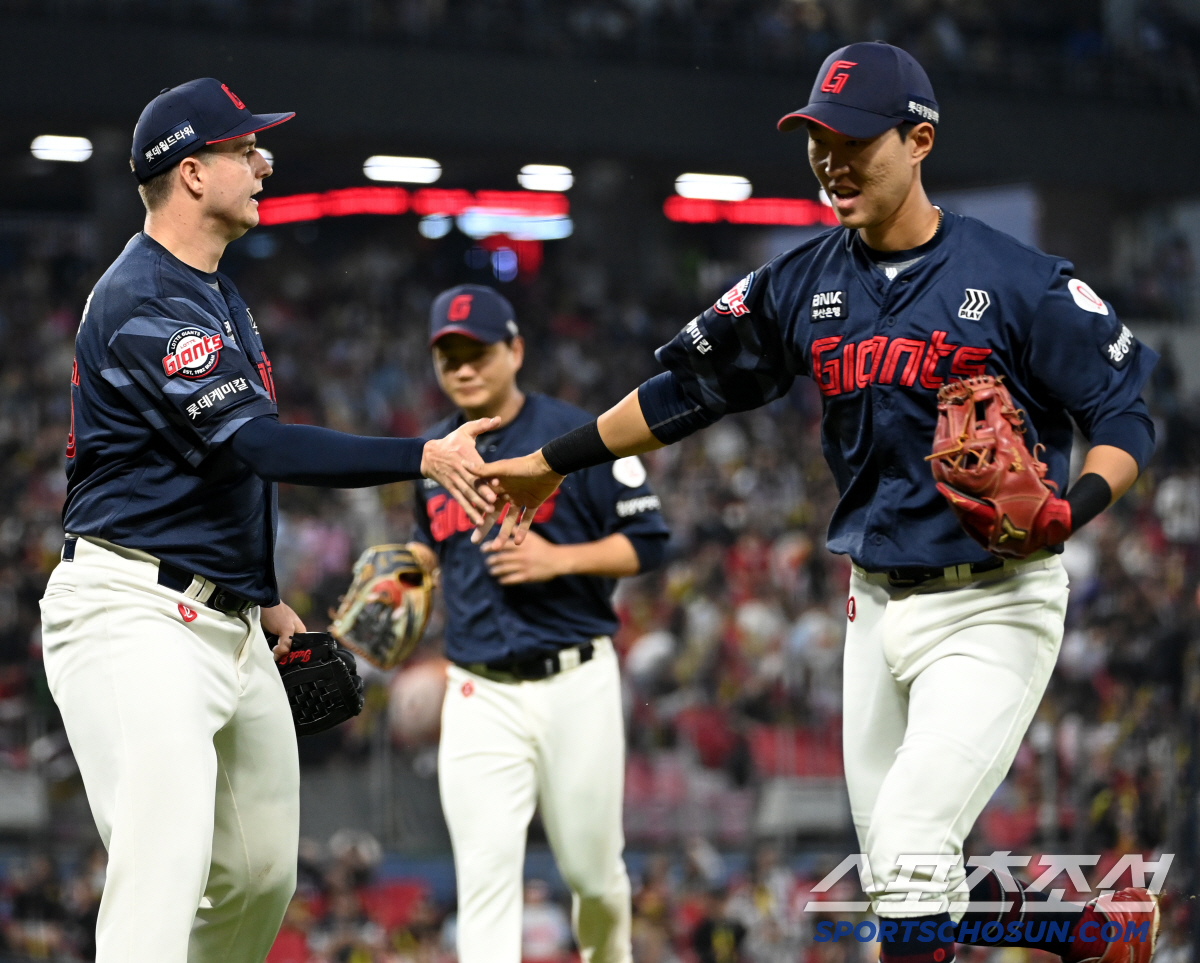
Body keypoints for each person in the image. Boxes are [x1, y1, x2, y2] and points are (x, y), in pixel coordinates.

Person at [470, 42, 1160, 963]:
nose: (832, 163)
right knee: (900, 870)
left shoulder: (1021, 281)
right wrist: (554, 461)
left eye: (855, 143)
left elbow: (1124, 414)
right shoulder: (801, 282)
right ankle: (1084, 929)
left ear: (919, 140)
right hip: (873, 604)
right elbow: (687, 393)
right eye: (818, 143)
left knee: (910, 845)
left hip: (994, 600)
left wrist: (1074, 505)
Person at [38, 79, 498, 963]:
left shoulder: (214, 293)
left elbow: (200, 471)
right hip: (134, 615)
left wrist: (263, 595)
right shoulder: (147, 298)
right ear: (190, 172)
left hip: (224, 612)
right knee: (162, 867)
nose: (263, 163)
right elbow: (262, 447)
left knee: (257, 876)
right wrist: (425, 455)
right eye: (243, 149)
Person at [406, 284, 670, 963]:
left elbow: (650, 542)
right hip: (478, 689)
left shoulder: (580, 436)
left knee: (593, 876)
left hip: (573, 678)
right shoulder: (434, 455)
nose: (464, 368)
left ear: (516, 350)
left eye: (478, 352)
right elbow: (429, 543)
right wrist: (409, 571)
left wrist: (559, 559)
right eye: (449, 357)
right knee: (485, 881)